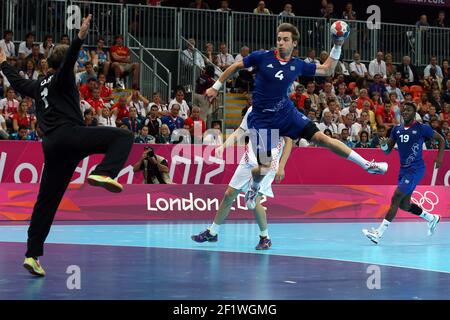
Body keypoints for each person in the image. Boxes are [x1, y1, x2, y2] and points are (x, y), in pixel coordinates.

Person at [0, 15, 134, 277]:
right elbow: (70, 58)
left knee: (46, 202)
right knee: (123, 137)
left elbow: (16, 83)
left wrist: (4, 64)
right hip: (70, 136)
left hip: (51, 146)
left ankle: (32, 255)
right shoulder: (62, 78)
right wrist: (80, 36)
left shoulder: (38, 85)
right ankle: (105, 171)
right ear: (64, 66)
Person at [205, 23, 388, 210]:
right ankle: (255, 186)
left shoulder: (296, 64)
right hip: (262, 120)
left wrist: (338, 45)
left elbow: (327, 70)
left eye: (285, 40)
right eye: (279, 39)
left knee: (322, 138)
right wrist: (215, 87)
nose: (281, 43)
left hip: (286, 112)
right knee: (264, 168)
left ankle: (366, 164)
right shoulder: (262, 57)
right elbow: (235, 66)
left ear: (294, 43)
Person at [192, 106, 293, 249]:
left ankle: (265, 237)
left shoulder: (281, 110)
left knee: (253, 201)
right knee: (229, 194)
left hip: (268, 159)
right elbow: (241, 130)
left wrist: (282, 166)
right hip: (248, 158)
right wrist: (223, 146)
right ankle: (212, 232)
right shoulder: (253, 109)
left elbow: (289, 140)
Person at [362, 103, 445, 244]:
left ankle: (378, 233)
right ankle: (431, 218)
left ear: (414, 113)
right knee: (404, 205)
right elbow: (387, 150)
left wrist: (440, 157)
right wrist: (383, 145)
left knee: (396, 198)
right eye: (404, 110)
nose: (405, 112)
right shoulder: (396, 129)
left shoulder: (422, 128)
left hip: (416, 169)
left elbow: (441, 140)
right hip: (404, 170)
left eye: (409, 110)